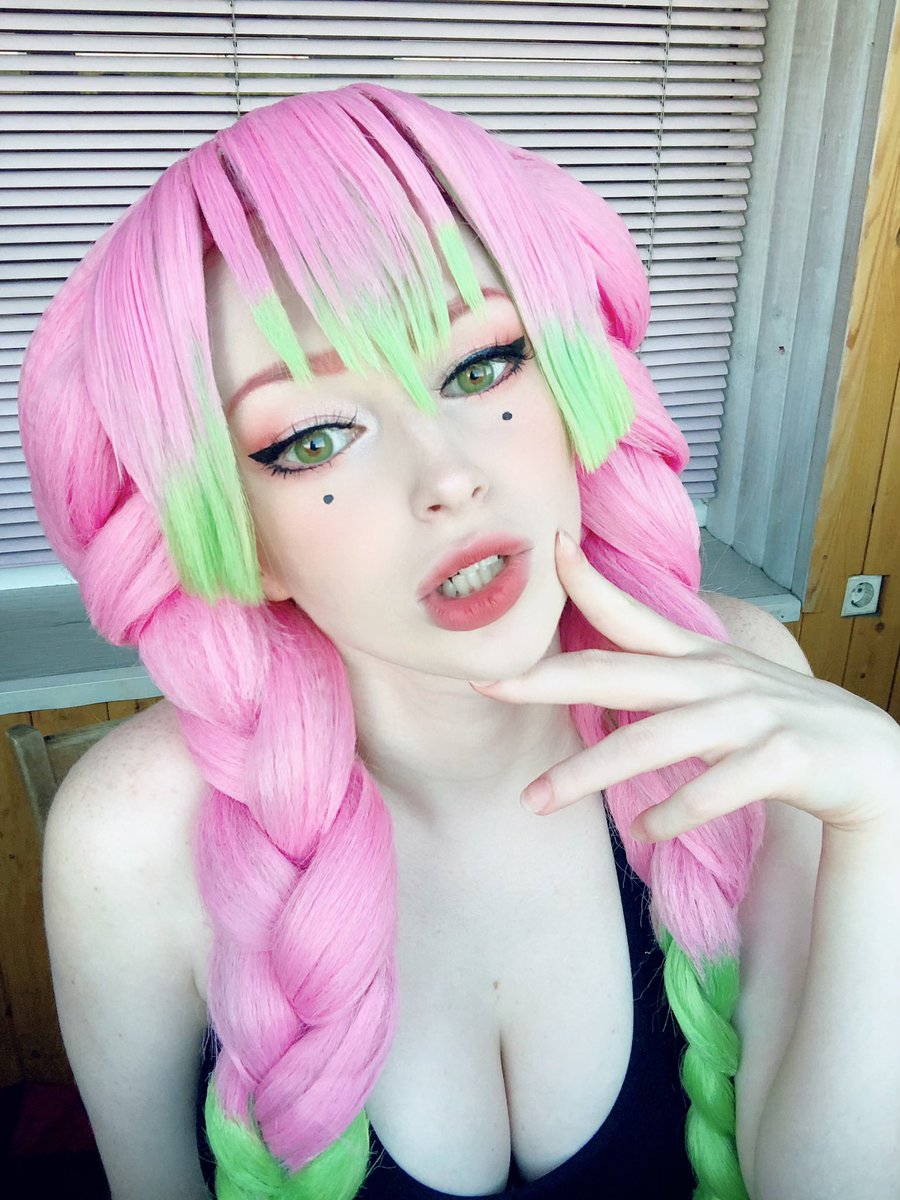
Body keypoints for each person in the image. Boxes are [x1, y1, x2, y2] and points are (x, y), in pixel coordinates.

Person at [16, 83, 900, 1200]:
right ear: (234, 533)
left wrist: (883, 823)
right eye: (312, 439)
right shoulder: (136, 839)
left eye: (483, 368)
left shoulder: (740, 686)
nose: (447, 476)